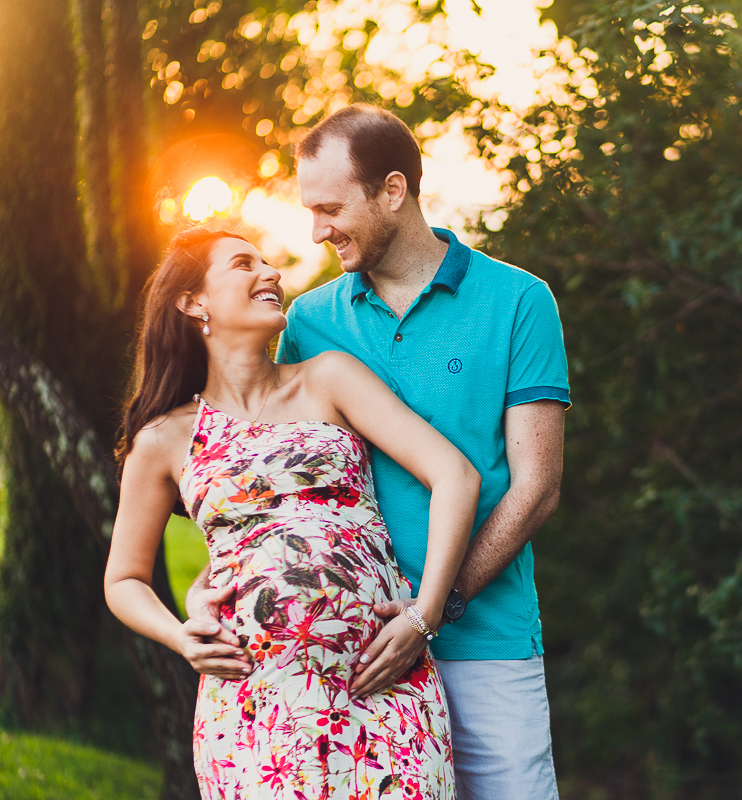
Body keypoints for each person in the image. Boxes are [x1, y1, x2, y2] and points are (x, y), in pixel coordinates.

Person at [186, 105, 570, 800]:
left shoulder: (519, 301)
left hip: (486, 642)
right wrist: (210, 587)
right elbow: (270, 483)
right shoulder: (309, 320)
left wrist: (432, 608)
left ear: (393, 191)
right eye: (310, 210)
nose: (317, 229)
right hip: (352, 660)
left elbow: (536, 486)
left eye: (331, 207)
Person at [104, 222, 481, 800]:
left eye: (268, 263)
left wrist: (423, 616)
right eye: (242, 264)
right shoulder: (165, 438)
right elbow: (124, 579)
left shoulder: (327, 379)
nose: (270, 273)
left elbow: (454, 475)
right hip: (256, 709)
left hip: (382, 692)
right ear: (192, 300)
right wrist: (182, 636)